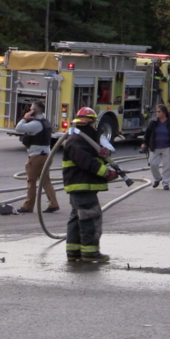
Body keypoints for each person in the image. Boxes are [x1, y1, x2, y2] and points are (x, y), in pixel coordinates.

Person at [62, 107, 118, 262]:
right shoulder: (77, 140)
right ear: (91, 122)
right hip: (82, 186)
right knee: (90, 218)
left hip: (80, 186)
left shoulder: (83, 139)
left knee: (76, 219)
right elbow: (87, 162)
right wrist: (106, 173)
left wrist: (103, 154)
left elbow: (91, 157)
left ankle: (74, 252)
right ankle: (90, 252)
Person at [15, 101, 60, 214]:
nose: (29, 111)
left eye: (31, 109)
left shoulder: (35, 124)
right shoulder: (45, 122)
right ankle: (53, 204)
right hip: (46, 155)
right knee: (45, 181)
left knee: (31, 181)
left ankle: (28, 206)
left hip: (36, 156)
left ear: (35, 111)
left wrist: (25, 118)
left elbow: (18, 128)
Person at [141, 104, 170, 190]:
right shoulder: (153, 123)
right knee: (153, 163)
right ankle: (157, 178)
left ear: (164, 112)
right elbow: (147, 134)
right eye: (156, 111)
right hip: (155, 147)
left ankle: (166, 183)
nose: (157, 113)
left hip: (167, 147)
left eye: (159, 111)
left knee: (167, 166)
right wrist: (144, 143)